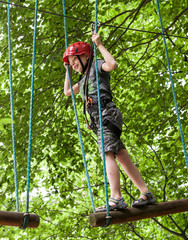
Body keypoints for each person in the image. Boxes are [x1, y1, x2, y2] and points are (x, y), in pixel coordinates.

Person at [62, 33, 156, 212]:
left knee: (107, 154)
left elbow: (112, 64)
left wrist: (98, 45)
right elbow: (67, 91)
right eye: (71, 63)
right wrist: (67, 69)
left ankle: (116, 197)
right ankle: (145, 192)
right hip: (100, 118)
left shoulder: (96, 65)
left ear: (85, 56)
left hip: (106, 113)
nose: (73, 65)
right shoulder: (82, 80)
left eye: (75, 59)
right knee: (120, 155)